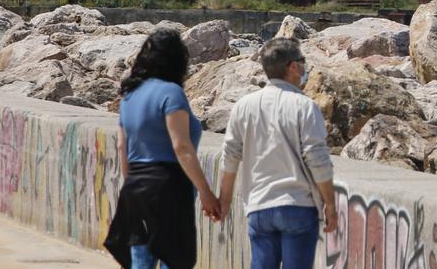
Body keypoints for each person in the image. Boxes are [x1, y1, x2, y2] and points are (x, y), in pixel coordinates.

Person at [105, 29, 221, 269]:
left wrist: (132, 186)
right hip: (169, 187)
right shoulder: (171, 93)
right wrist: (206, 192)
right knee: (174, 258)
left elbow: (121, 145)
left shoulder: (129, 95)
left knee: (141, 262)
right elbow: (181, 146)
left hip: (135, 187)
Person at [218, 37, 338, 269]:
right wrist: (330, 205)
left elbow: (230, 156)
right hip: (299, 205)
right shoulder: (305, 106)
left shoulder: (244, 106)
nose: (305, 68)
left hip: (259, 207)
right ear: (293, 67)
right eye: (302, 62)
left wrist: (224, 201)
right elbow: (317, 160)